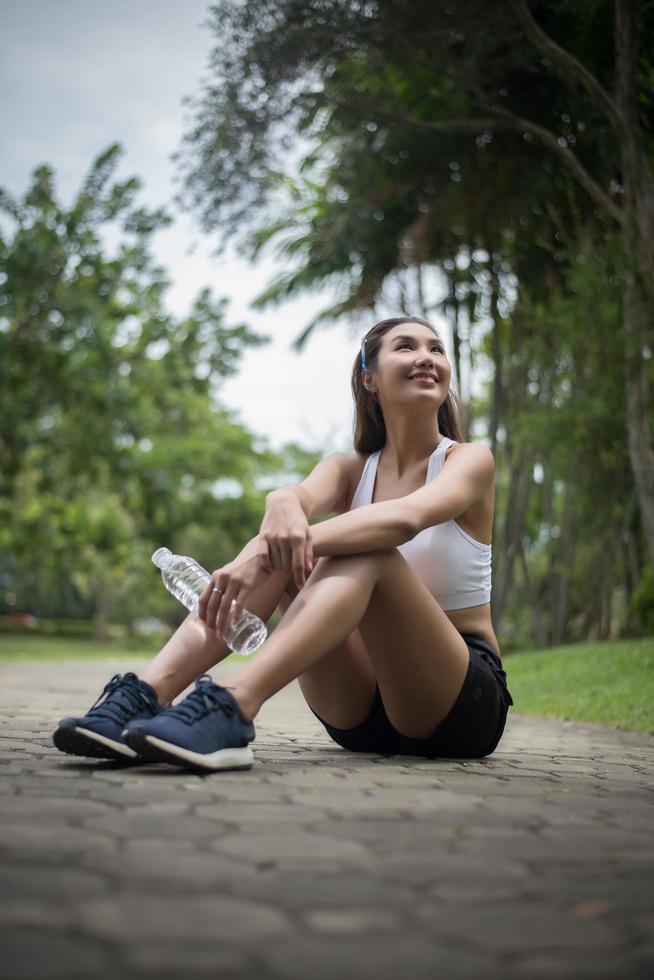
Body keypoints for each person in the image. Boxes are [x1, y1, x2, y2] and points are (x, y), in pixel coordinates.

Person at [53, 316, 513, 772]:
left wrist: (266, 550)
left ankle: (233, 706)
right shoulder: (348, 469)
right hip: (360, 708)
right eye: (406, 347)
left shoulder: (468, 461)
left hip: (457, 704)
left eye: (436, 349)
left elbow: (404, 519)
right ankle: (143, 695)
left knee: (364, 548)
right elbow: (296, 501)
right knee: (286, 551)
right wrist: (282, 500)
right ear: (369, 379)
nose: (426, 358)